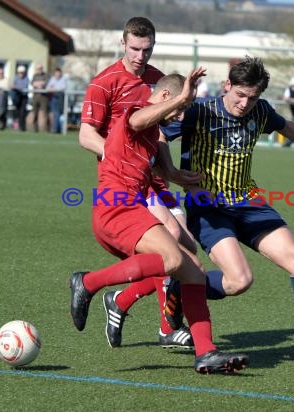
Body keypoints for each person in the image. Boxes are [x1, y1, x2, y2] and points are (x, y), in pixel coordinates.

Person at [161, 57, 294, 367]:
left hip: (248, 201)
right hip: (208, 207)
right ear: (227, 85)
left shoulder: (260, 111)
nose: (245, 103)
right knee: (239, 281)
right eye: (240, 95)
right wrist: (173, 173)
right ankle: (183, 286)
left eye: (253, 97)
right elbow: (159, 133)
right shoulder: (199, 111)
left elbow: (288, 127)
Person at [69, 68, 249, 374]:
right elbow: (137, 121)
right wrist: (181, 97)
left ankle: (205, 352)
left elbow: (161, 171)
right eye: (179, 108)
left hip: (132, 208)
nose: (180, 116)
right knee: (171, 257)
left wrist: (179, 176)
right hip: (116, 210)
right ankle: (87, 283)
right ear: (165, 97)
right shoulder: (136, 112)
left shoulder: (154, 135)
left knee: (193, 271)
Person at [78, 16, 196, 350]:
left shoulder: (159, 80)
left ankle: (122, 301)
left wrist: (169, 171)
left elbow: (158, 130)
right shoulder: (105, 82)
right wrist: (120, 157)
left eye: (147, 49)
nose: (141, 56)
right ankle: (165, 328)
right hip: (126, 179)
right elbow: (86, 135)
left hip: (152, 173)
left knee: (186, 249)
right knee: (172, 242)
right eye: (135, 48)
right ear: (123, 43)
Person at [28, 63, 49, 132]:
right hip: (35, 96)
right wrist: (39, 84)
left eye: (40, 68)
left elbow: (46, 83)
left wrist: (39, 84)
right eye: (38, 68)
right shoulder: (35, 75)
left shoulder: (46, 75)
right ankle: (35, 128)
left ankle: (46, 128)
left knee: (44, 113)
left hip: (44, 97)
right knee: (35, 113)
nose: (39, 70)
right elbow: (32, 83)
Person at [46, 67, 67, 133]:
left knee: (58, 114)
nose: (57, 74)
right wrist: (53, 89)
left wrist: (54, 88)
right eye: (56, 73)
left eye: (58, 73)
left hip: (60, 98)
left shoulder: (63, 79)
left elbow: (63, 88)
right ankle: (55, 128)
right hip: (53, 98)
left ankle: (57, 129)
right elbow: (48, 88)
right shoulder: (52, 79)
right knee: (54, 114)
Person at [11, 65, 29, 132]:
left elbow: (23, 87)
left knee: (22, 112)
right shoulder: (15, 78)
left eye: (22, 72)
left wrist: (16, 87)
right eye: (20, 72)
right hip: (17, 96)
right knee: (16, 112)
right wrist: (16, 87)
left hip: (23, 97)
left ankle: (22, 127)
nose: (21, 74)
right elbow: (12, 85)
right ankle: (16, 125)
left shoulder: (26, 78)